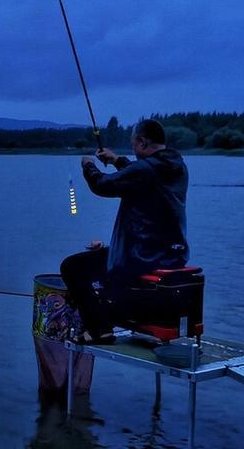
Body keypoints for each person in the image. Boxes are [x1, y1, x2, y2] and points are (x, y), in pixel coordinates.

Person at [60, 119, 189, 344]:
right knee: (99, 259)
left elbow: (103, 185)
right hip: (173, 253)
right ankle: (107, 319)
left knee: (73, 267)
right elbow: (143, 174)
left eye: (133, 144)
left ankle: (99, 329)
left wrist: (88, 166)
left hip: (143, 255)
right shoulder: (177, 166)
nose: (132, 148)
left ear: (142, 141)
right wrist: (117, 160)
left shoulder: (145, 170)